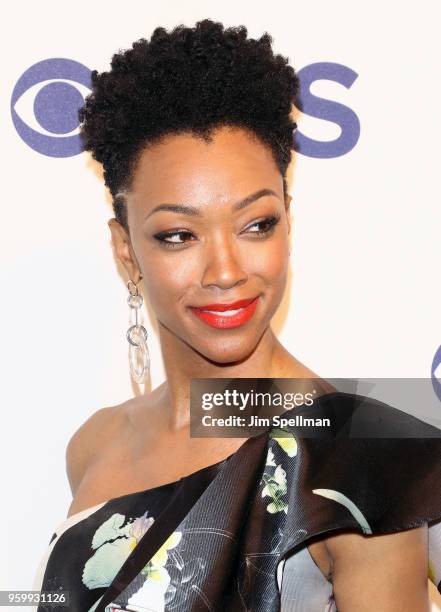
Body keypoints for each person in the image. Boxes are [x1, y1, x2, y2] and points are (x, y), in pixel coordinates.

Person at [32, 18, 441, 612]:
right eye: (177, 234)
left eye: (257, 224)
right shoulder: (94, 445)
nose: (225, 271)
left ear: (289, 221)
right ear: (126, 250)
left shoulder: (364, 456)